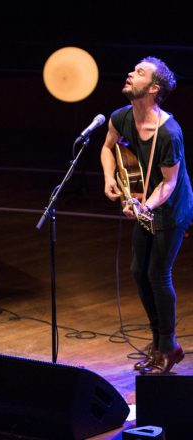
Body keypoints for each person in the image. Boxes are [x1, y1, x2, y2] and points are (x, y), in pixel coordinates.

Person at [100, 56, 193, 374]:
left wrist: (144, 206)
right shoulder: (121, 117)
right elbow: (107, 147)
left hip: (171, 209)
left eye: (139, 72)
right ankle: (159, 342)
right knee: (139, 272)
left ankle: (168, 346)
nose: (129, 72)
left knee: (158, 274)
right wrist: (111, 178)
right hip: (144, 200)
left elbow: (168, 184)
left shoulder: (168, 133)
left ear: (153, 88)